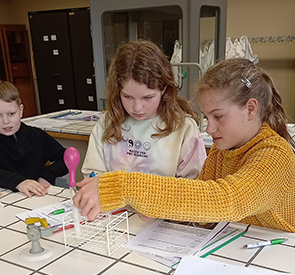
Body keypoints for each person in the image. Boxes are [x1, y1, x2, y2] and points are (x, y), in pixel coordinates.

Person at [73, 58, 295, 233]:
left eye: (218, 117)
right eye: (207, 118)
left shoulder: (275, 155)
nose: (209, 129)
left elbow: (227, 199)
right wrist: (163, 207)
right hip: (237, 245)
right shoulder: (223, 149)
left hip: (277, 256)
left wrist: (124, 187)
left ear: (250, 109)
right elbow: (202, 207)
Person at [81, 39, 206, 179]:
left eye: (147, 98)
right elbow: (92, 175)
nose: (137, 108)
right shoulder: (107, 123)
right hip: (112, 201)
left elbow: (195, 187)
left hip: (166, 201)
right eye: (127, 97)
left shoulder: (184, 128)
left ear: (164, 89)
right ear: (117, 92)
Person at [0, 80, 68, 197]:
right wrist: (18, 182)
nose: (6, 121)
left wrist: (47, 175)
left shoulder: (36, 136)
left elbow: (67, 157)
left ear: (21, 111)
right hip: (5, 200)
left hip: (38, 196)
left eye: (11, 114)